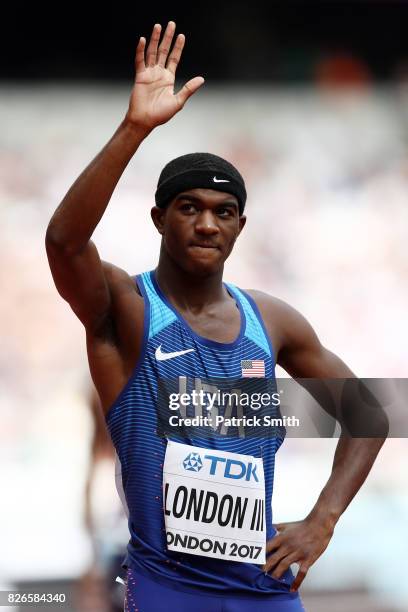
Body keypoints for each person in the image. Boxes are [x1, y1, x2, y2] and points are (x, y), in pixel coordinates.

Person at [45, 21, 386, 612]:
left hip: (265, 591)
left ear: (241, 226)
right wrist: (134, 129)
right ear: (158, 219)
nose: (207, 224)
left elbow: (369, 413)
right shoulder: (125, 310)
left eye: (224, 212)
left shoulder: (273, 323)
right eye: (189, 208)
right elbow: (65, 244)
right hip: (169, 592)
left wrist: (322, 520)